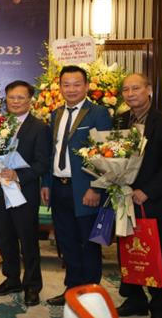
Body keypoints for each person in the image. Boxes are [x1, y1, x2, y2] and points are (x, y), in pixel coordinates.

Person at [41, 65, 112, 306]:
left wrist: (96, 187)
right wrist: (47, 183)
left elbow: (105, 153)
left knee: (88, 245)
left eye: (76, 84)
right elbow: (52, 152)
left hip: (85, 190)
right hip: (59, 188)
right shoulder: (56, 114)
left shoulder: (98, 113)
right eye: (66, 84)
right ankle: (71, 290)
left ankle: (90, 295)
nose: (71, 89)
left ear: (86, 86)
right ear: (60, 87)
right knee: (67, 243)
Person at [114, 73, 162, 318]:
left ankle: (160, 309)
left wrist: (147, 191)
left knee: (157, 257)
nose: (130, 94)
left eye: (136, 88)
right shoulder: (119, 121)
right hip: (123, 198)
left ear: (148, 89)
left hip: (154, 202)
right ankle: (135, 300)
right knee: (128, 253)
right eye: (126, 89)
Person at [0, 80, 51, 306]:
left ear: (29, 100)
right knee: (5, 237)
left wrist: (18, 175)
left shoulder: (40, 128)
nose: (15, 102)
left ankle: (32, 285)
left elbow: (42, 163)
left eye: (20, 97)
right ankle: (12, 279)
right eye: (11, 98)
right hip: (0, 191)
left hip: (24, 192)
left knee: (28, 240)